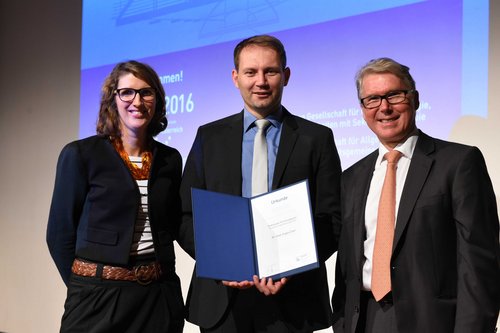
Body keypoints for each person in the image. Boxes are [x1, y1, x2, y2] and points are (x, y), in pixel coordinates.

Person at [179, 35, 342, 332]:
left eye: (271, 71)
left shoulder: (317, 138)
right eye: (251, 72)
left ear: (286, 76)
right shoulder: (208, 137)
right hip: (223, 300)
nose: (261, 81)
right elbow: (185, 215)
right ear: (235, 77)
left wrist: (292, 266)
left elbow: (332, 219)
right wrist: (219, 263)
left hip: (294, 301)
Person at [331, 57, 500, 333]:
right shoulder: (352, 177)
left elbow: (479, 263)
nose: (384, 107)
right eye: (372, 99)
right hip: (365, 320)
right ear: (363, 110)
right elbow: (347, 263)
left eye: (394, 95)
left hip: (433, 321)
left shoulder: (458, 163)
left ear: (415, 99)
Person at [47, 60, 187, 332]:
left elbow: (174, 223)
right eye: (127, 92)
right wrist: (85, 287)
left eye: (147, 92)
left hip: (157, 298)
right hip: (98, 299)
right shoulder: (81, 154)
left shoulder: (171, 159)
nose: (137, 100)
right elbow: (59, 234)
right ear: (113, 99)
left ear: (157, 100)